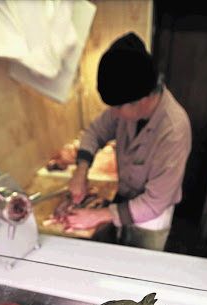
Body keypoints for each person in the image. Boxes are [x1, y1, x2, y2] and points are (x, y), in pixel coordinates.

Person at [66, 32, 191, 251]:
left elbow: (153, 203)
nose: (113, 115)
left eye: (117, 108)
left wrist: (95, 217)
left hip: (150, 219)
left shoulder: (174, 130)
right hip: (124, 199)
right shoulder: (127, 105)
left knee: (140, 274)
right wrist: (81, 171)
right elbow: (95, 132)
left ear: (143, 101)